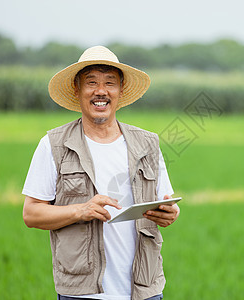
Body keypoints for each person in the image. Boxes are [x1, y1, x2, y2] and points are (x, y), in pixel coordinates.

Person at [22, 45, 180, 300]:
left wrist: (170, 213)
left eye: (110, 83)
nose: (101, 91)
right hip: (82, 294)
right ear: (77, 89)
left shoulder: (148, 144)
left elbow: (167, 201)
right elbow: (31, 213)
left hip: (144, 290)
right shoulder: (54, 145)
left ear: (120, 91)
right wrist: (80, 210)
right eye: (91, 82)